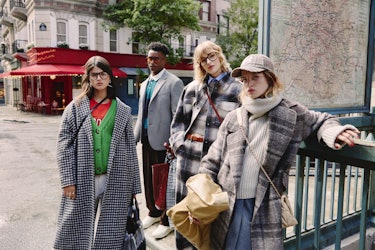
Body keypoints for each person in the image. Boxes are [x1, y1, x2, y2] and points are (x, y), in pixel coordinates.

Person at [197, 54, 360, 249]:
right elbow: (211, 161)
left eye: (255, 77)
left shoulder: (291, 113)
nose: (249, 83)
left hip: (262, 206)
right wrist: (200, 198)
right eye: (245, 79)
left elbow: (321, 120)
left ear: (270, 78)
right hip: (225, 202)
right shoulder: (234, 117)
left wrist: (336, 132)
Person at [54, 56, 141, 249]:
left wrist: (134, 186)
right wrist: (68, 180)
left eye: (103, 74)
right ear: (88, 78)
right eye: (94, 75)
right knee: (74, 227)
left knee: (112, 230)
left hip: (118, 178)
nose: (99, 78)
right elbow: (63, 145)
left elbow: (130, 148)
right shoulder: (75, 108)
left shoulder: (123, 110)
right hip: (83, 177)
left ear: (110, 78)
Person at [169, 40, 242, 249]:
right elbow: (178, 123)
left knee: (211, 216)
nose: (208, 62)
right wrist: (180, 147)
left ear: (219, 56)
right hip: (188, 162)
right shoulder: (192, 89)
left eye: (211, 56)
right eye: (202, 60)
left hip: (218, 166)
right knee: (185, 213)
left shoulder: (238, 89)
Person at [134, 42, 184, 239]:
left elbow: (178, 115)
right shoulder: (145, 83)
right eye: (149, 58)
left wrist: (174, 142)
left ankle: (166, 219)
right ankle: (153, 212)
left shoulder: (174, 82)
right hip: (146, 139)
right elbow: (141, 114)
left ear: (164, 60)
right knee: (148, 177)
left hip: (165, 141)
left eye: (156, 58)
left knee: (165, 181)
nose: (152, 62)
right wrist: (135, 137)